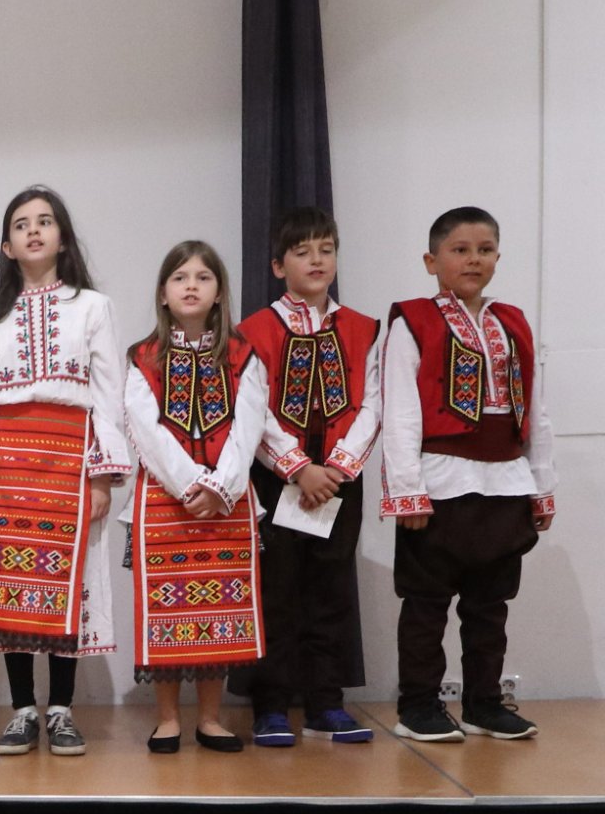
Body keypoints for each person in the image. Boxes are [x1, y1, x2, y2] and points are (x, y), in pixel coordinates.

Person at [379, 206, 555, 742]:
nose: (473, 259)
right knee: (427, 604)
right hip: (441, 484)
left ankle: (483, 703)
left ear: (498, 257)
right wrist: (407, 492)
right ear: (432, 260)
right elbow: (401, 411)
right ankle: (418, 707)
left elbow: (535, 409)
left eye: (484, 249)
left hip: (506, 482)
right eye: (459, 250)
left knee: (490, 606)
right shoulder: (413, 322)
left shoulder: (514, 323)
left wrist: (542, 486)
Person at [0, 187, 128, 757]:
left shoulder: (93, 307)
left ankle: (61, 709)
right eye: (21, 224)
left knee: (70, 583)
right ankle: (22, 711)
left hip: (70, 460)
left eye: (44, 221)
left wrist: (101, 474)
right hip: (8, 461)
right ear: (7, 247)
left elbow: (109, 394)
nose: (33, 231)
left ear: (62, 237)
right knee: (10, 587)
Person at [235, 207, 381, 745]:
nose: (317, 260)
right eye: (302, 251)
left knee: (331, 588)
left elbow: (373, 403)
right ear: (279, 265)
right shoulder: (254, 331)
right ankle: (271, 703)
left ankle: (326, 702)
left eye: (326, 249)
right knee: (277, 589)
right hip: (279, 479)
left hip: (341, 477)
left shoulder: (363, 329)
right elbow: (252, 410)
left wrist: (337, 467)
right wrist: (298, 468)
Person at [123, 242, 268, 753]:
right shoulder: (142, 357)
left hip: (228, 502)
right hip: (165, 499)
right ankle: (167, 718)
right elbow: (145, 429)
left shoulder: (242, 355)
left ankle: (210, 717)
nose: (191, 286)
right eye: (180, 277)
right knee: (167, 610)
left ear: (219, 292)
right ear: (163, 293)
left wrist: (221, 487)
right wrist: (190, 485)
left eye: (203, 277)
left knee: (221, 609)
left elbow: (250, 426)